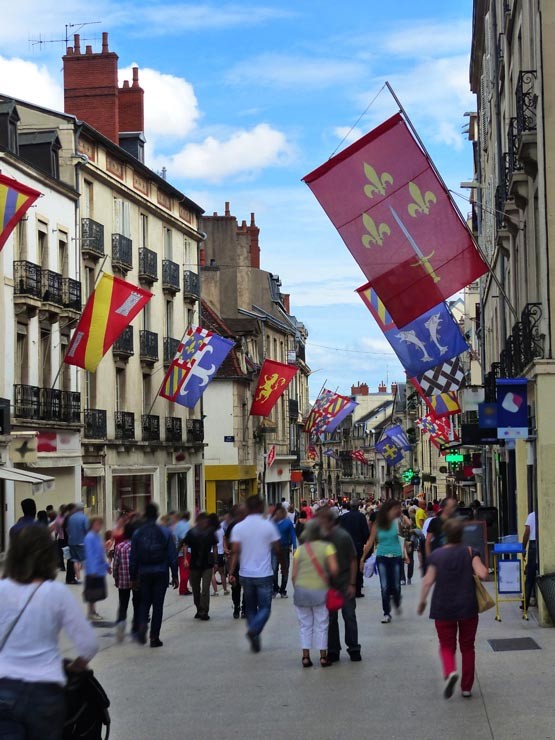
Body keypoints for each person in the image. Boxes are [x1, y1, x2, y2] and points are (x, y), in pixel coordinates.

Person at [0, 525, 98, 740]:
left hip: (4, 690)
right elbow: (89, 644)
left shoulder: (2, 589)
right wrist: (75, 666)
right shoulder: (56, 593)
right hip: (44, 693)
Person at [417, 518, 488, 699]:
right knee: (468, 647)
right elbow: (483, 573)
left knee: (446, 645)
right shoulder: (470, 551)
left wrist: (422, 602)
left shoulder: (437, 555)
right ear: (461, 534)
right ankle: (466, 687)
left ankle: (450, 671)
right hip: (467, 607)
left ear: (445, 535)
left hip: (443, 607)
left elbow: (427, 581)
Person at [229, 495, 280, 653]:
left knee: (250, 608)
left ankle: (255, 634)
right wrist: (284, 566)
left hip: (246, 573)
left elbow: (235, 552)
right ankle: (254, 631)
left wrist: (231, 572)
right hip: (264, 573)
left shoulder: (238, 527)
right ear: (260, 508)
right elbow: (278, 549)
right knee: (265, 608)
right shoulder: (268, 525)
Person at [130, 503, 178, 647]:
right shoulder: (165, 532)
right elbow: (172, 555)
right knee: (158, 605)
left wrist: (133, 577)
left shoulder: (138, 533)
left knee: (144, 602)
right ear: (157, 515)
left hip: (144, 572)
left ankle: (143, 625)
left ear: (145, 515)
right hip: (161, 572)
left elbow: (133, 557)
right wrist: (175, 574)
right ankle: (154, 637)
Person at [292, 520, 338, 668]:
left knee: (305, 625)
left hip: (301, 591)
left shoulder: (300, 550)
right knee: (322, 623)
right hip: (320, 591)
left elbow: (294, 575)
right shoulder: (327, 548)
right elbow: (334, 569)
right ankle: (323, 657)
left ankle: (305, 657)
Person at [319, 509, 361, 663]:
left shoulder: (342, 536)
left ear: (329, 521)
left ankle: (352, 648)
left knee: (347, 616)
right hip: (329, 585)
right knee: (332, 618)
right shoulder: (321, 538)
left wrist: (352, 583)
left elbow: (353, 559)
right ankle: (334, 650)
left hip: (343, 583)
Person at [360, 499, 408, 623]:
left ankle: (397, 600)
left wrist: (406, 555)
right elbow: (370, 541)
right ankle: (386, 613)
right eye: (395, 509)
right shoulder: (377, 524)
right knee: (384, 586)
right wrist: (362, 558)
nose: (397, 510)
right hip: (382, 556)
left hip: (396, 555)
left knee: (396, 586)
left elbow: (402, 537)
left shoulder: (397, 521)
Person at [183, 513, 218, 621]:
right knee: (196, 590)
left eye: (206, 521)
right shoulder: (191, 532)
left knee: (205, 589)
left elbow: (215, 546)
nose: (205, 523)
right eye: (203, 520)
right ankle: (199, 608)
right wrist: (185, 558)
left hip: (207, 564)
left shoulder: (210, 532)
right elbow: (185, 545)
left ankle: (204, 611)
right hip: (194, 564)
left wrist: (216, 561)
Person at [113, 522, 141, 642]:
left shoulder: (119, 546)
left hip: (123, 580)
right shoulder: (139, 546)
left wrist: (116, 577)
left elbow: (115, 564)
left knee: (123, 604)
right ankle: (135, 629)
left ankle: (120, 625)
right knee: (137, 604)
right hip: (136, 580)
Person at [339, 500, 370, 597]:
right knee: (357, 566)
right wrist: (365, 542)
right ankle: (357, 589)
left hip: (345, 545)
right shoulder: (361, 517)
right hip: (357, 545)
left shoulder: (343, 517)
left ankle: (346, 587)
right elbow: (365, 532)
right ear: (358, 507)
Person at [83, 517, 110, 621]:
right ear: (92, 525)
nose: (99, 526)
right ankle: (91, 612)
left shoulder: (98, 536)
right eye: (97, 524)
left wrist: (107, 566)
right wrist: (93, 570)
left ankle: (93, 611)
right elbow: (90, 554)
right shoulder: (89, 537)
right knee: (92, 593)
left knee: (95, 592)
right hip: (92, 570)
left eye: (100, 524)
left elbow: (101, 553)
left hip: (99, 569)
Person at [225, 505, 246, 619]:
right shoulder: (233, 525)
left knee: (246, 585)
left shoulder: (249, 526)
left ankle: (245, 607)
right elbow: (226, 538)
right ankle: (237, 606)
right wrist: (227, 549)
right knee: (235, 585)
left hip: (246, 559)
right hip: (235, 559)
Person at [272, 504, 297, 598]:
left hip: (285, 549)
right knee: (273, 569)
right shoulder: (272, 523)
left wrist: (295, 547)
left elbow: (293, 535)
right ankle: (275, 588)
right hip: (274, 550)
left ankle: (283, 590)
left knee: (285, 570)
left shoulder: (288, 523)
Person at [66, 502, 89, 584]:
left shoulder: (71, 518)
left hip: (71, 542)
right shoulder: (84, 518)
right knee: (84, 560)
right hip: (81, 542)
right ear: (82, 509)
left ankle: (78, 577)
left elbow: (67, 530)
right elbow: (87, 529)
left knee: (75, 559)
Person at [210, 513, 229, 596]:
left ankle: (216, 591)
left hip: (211, 553)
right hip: (220, 553)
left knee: (212, 573)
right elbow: (224, 540)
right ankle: (225, 590)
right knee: (222, 573)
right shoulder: (221, 529)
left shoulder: (210, 530)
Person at [173, 511, 192, 595]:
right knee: (185, 571)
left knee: (182, 571)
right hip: (185, 552)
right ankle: (183, 589)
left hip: (177, 551)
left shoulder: (176, 525)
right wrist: (185, 557)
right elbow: (185, 542)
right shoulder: (186, 525)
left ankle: (184, 588)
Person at [522, 510, 537, 609]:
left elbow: (527, 532)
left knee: (530, 575)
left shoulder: (532, 515)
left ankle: (525, 603)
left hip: (533, 545)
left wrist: (523, 548)